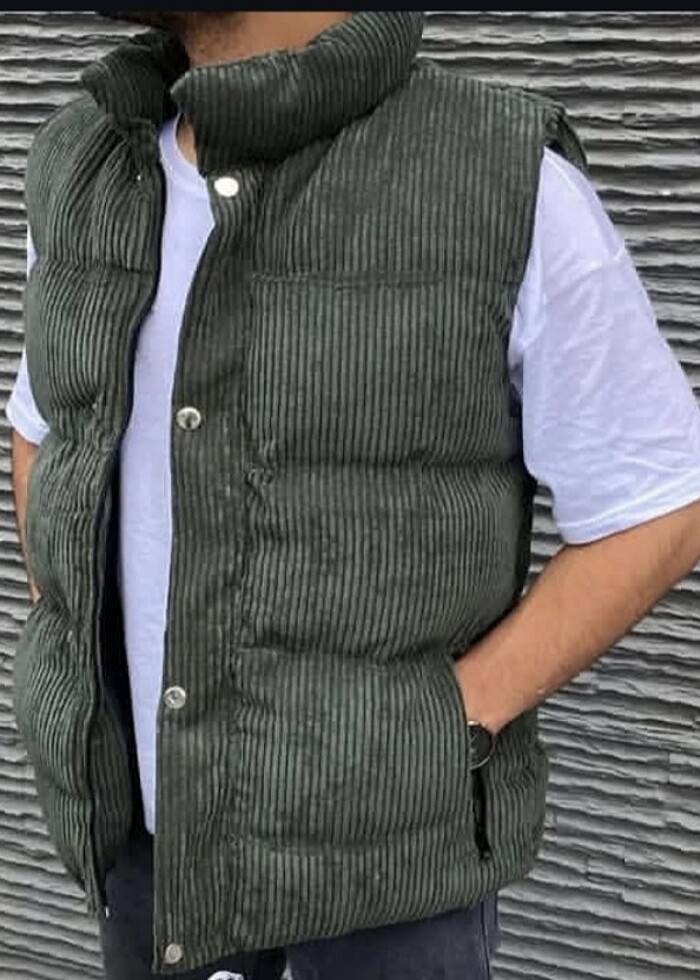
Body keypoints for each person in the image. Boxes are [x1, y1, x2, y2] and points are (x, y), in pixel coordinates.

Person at [6, 10, 700, 980]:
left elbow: (658, 499)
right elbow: (47, 422)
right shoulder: (87, 159)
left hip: (384, 878)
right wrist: (66, 623)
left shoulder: (497, 171)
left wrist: (454, 719)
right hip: (142, 841)